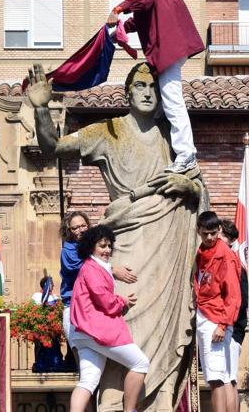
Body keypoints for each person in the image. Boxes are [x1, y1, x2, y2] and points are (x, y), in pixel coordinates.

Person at [30, 61, 205, 409]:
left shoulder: (173, 139)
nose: (147, 92)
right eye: (140, 86)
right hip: (127, 247)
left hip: (167, 249)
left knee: (164, 335)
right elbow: (52, 148)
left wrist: (187, 184)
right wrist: (40, 108)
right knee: (125, 327)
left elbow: (200, 191)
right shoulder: (106, 131)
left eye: (153, 87)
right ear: (127, 93)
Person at [105, 0, 205, 174]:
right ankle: (167, 148)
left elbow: (141, 0)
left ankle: (186, 155)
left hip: (168, 52)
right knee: (161, 107)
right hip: (170, 51)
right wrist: (118, 33)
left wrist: (118, 9)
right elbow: (140, 19)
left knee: (172, 102)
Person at [69, 225, 149, 412]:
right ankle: (129, 410)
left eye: (108, 246)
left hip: (82, 333)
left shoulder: (92, 267)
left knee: (88, 381)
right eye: (102, 246)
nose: (106, 250)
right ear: (91, 247)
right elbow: (105, 300)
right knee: (140, 363)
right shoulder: (92, 269)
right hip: (97, 331)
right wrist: (122, 301)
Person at [59, 211, 136, 356]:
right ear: (68, 231)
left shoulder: (93, 247)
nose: (80, 230)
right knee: (82, 359)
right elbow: (87, 270)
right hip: (75, 310)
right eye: (74, 228)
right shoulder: (68, 251)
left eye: (83, 225)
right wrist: (113, 270)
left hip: (94, 309)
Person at [194, 211, 241, 412]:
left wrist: (222, 325)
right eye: (205, 234)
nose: (210, 238)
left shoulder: (226, 256)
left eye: (213, 233)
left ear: (219, 230)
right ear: (199, 232)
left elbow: (233, 296)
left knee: (216, 378)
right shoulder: (201, 252)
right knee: (223, 376)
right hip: (205, 314)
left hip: (216, 319)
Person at [219, 219, 246, 411]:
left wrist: (227, 324)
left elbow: (238, 298)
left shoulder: (232, 261)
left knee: (227, 378)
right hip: (231, 327)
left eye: (218, 234)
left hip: (231, 328)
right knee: (227, 378)